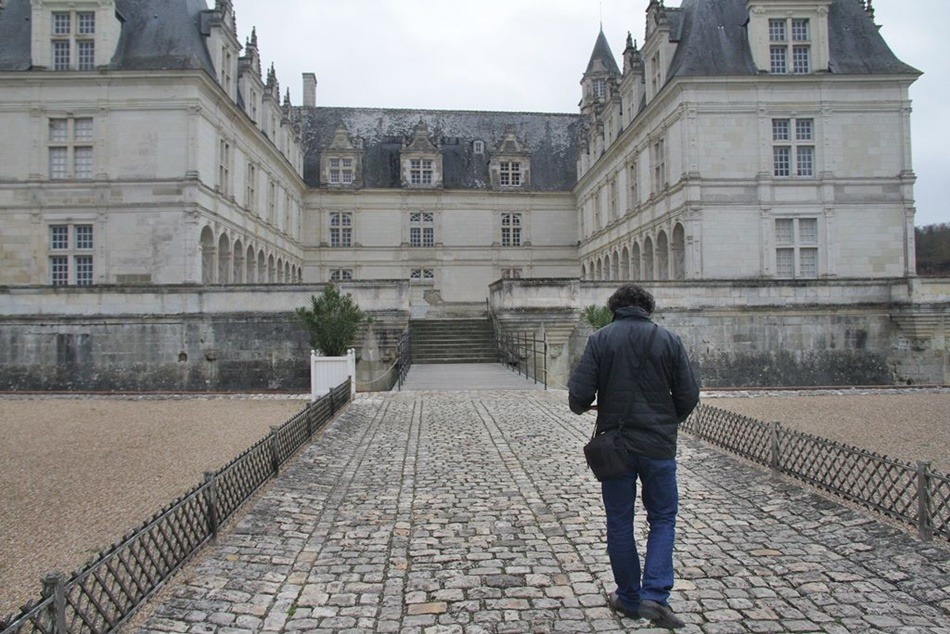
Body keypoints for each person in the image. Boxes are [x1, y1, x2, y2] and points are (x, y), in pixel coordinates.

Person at [568, 284, 699, 629]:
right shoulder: (669, 340)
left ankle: (628, 597)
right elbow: (688, 395)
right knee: (663, 518)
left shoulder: (601, 340)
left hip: (617, 446)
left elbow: (579, 397)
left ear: (614, 309)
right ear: (648, 309)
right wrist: (665, 422)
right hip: (658, 446)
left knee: (619, 521)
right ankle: (654, 595)